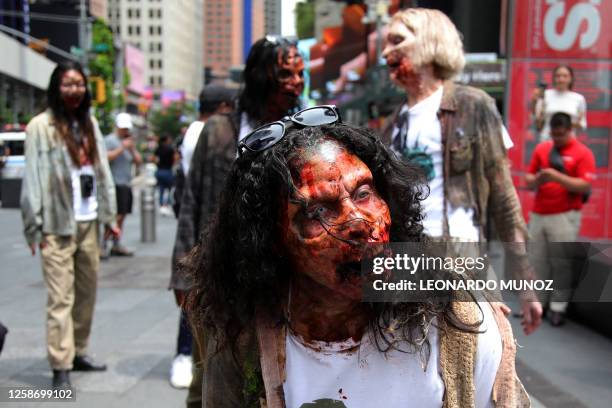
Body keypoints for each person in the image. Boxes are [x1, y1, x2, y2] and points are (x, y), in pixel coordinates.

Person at [184, 111, 529, 407]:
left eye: (364, 193)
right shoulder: (246, 336)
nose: (361, 222)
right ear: (272, 243)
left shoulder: (460, 322)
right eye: (318, 211)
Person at [380, 8, 542, 335]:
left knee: (483, 365)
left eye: (397, 41)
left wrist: (526, 284)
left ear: (430, 42)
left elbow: (503, 197)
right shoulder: (393, 123)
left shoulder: (474, 105)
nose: (386, 52)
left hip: (462, 256)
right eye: (386, 43)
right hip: (407, 260)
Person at [172, 36, 304, 407]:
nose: (296, 82)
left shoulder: (302, 132)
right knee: (209, 378)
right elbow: (191, 202)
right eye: (285, 73)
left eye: (300, 73)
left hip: (281, 277)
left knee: (274, 374)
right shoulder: (219, 131)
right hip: (220, 274)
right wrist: (182, 273)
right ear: (260, 75)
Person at [20, 61, 118, 388]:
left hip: (89, 220)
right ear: (55, 88)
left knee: (86, 293)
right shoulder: (40, 126)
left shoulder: (88, 122)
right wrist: (34, 226)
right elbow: (32, 177)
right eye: (67, 84)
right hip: (56, 223)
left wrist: (109, 215)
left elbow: (101, 169)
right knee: (60, 297)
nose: (74, 90)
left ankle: (78, 351)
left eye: (79, 84)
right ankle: (60, 363)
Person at [167, 84, 236, 390]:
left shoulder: (194, 131)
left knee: (196, 302)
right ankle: (184, 356)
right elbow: (195, 191)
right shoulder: (209, 132)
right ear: (223, 106)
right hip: (206, 234)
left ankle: (186, 357)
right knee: (197, 304)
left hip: (200, 231)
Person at [526, 112, 595, 326]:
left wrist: (556, 177)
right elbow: (528, 179)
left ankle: (558, 307)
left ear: (569, 130)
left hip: (565, 214)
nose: (556, 139)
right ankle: (539, 304)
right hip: (539, 213)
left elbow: (585, 185)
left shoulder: (582, 153)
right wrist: (538, 179)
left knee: (561, 264)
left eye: (560, 135)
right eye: (553, 135)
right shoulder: (542, 149)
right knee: (537, 262)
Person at [103, 112, 142, 257]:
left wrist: (131, 148)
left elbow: (138, 161)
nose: (125, 131)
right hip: (114, 183)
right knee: (114, 216)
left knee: (123, 215)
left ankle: (116, 243)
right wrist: (122, 148)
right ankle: (104, 242)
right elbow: (105, 157)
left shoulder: (129, 142)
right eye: (123, 128)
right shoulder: (110, 140)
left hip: (126, 183)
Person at [530, 64, 587, 141]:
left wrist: (566, 124)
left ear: (571, 78)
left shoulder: (578, 99)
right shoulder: (545, 95)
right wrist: (534, 102)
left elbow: (583, 124)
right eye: (558, 76)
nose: (561, 79)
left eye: (565, 76)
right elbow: (537, 122)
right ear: (554, 78)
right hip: (547, 139)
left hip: (568, 141)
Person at [154, 134, 176, 215]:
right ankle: (167, 204)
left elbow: (155, 159)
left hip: (159, 171)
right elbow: (174, 159)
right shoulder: (170, 149)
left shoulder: (158, 148)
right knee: (170, 189)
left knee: (161, 189)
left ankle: (161, 205)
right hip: (168, 170)